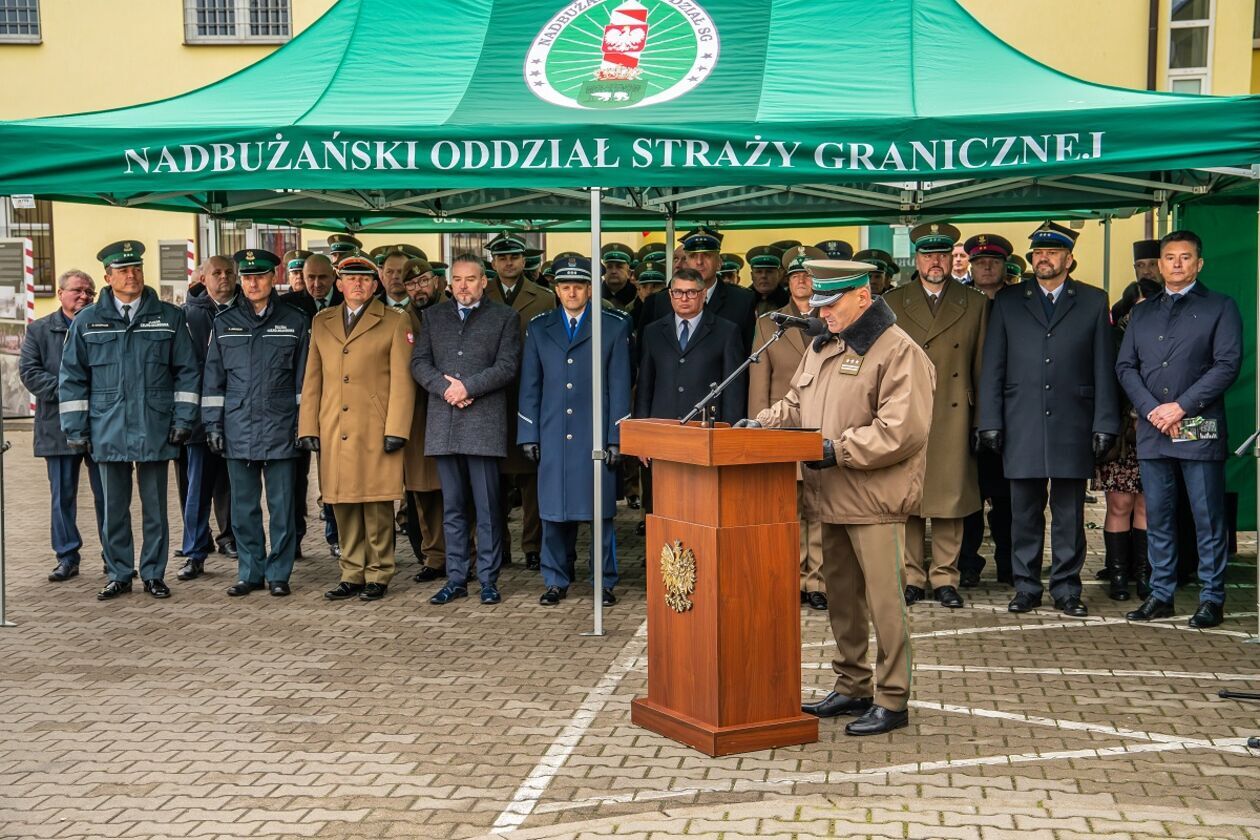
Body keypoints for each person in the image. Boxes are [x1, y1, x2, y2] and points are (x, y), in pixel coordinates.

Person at [742, 259, 932, 737]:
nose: (821, 312)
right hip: (831, 494)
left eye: (831, 303)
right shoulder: (825, 345)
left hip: (875, 498)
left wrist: (837, 450)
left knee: (886, 603)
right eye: (818, 303)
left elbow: (901, 431)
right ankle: (853, 685)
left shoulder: (897, 350)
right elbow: (795, 404)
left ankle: (893, 698)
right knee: (842, 600)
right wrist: (761, 425)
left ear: (862, 297)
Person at [977, 221, 1119, 617]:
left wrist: (1105, 423)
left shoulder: (1092, 300)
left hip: (1075, 420)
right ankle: (1026, 586)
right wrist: (989, 420)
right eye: (1038, 252)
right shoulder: (1008, 300)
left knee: (1069, 512)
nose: (1044, 258)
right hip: (1020, 420)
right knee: (1023, 510)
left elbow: (1103, 366)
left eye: (1052, 253)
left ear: (1068, 260)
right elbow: (993, 366)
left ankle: (1067, 588)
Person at [59, 240, 200, 601]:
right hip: (107, 427)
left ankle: (153, 573)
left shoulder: (170, 317)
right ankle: (119, 573)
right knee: (112, 510)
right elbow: (72, 377)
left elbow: (187, 371)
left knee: (155, 509)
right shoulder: (88, 321)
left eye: (136, 268)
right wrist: (75, 430)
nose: (131, 275)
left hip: (155, 425)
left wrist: (184, 418)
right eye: (123, 270)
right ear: (108, 277)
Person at [1117, 230, 1242, 628]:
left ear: (1198, 263)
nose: (1176, 264)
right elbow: (1125, 367)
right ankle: (1162, 593)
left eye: (1184, 257)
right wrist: (1153, 409)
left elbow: (1227, 364)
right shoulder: (1143, 311)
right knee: (1159, 515)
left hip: (1197, 423)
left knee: (1207, 516)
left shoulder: (1220, 307)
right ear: (1160, 263)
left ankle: (1211, 598)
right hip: (1155, 427)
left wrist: (1181, 406)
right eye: (1169, 257)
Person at [298, 253, 415, 602]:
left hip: (374, 426)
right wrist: (308, 426)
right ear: (340, 284)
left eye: (365, 279)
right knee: (342, 501)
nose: (358, 284)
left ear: (375, 284)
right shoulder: (323, 321)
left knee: (376, 503)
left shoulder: (395, 320)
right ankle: (351, 572)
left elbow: (403, 382)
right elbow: (313, 378)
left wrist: (397, 428)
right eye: (351, 278)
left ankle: (378, 572)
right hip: (334, 425)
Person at [883, 223, 988, 609]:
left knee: (950, 498)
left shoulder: (975, 302)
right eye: (928, 255)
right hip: (907, 409)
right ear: (917, 259)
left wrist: (983, 419)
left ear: (951, 258)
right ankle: (911, 576)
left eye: (942, 255)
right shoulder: (894, 301)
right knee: (909, 498)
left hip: (954, 411)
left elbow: (982, 366)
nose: (935, 262)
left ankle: (945, 577)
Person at [518, 255, 632, 607]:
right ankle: (555, 579)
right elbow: (530, 385)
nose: (572, 292)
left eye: (578, 286)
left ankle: (603, 580)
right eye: (565, 286)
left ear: (589, 288)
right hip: (553, 433)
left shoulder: (612, 325)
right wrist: (528, 433)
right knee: (553, 513)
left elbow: (620, 385)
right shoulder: (539, 327)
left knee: (599, 514)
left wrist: (616, 436)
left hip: (594, 434)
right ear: (556, 288)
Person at [413, 254, 521, 606]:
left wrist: (467, 387)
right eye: (457, 279)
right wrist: (445, 388)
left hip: (484, 425)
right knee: (453, 508)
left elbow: (507, 366)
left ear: (483, 281)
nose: (463, 285)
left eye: (470, 279)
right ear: (449, 283)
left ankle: (488, 580)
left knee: (488, 508)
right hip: (444, 424)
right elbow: (419, 363)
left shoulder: (505, 317)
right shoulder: (433, 317)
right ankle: (456, 578)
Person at [202, 250, 309, 597]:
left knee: (282, 508)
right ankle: (250, 571)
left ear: (272, 279)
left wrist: (302, 427)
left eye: (259, 276)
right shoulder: (224, 322)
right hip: (238, 428)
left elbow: (304, 382)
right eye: (246, 277)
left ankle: (279, 573)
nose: (252, 283)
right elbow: (213, 382)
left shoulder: (295, 321)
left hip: (282, 428)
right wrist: (213, 427)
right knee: (243, 508)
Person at [748, 245, 827, 611]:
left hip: (825, 427)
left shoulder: (832, 319)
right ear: (788, 281)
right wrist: (758, 433)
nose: (802, 282)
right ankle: (793, 577)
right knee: (790, 509)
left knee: (822, 506)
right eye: (796, 276)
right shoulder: (769, 323)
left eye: (808, 276)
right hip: (784, 427)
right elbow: (758, 384)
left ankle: (819, 581)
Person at [21, 269, 105, 582]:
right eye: (77, 291)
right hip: (56, 428)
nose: (84, 297)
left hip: (100, 428)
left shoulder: (101, 326)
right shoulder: (40, 330)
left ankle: (115, 557)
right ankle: (67, 557)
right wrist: (71, 389)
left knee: (107, 496)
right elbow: (30, 373)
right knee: (62, 497)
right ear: (60, 293)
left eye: (90, 292)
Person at [1093, 239, 1162, 601]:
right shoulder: (1113, 337)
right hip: (1122, 433)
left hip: (1156, 431)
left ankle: (1144, 575)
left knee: (1148, 505)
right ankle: (1118, 575)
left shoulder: (1167, 341)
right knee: (1119, 503)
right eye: (1136, 309)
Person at [484, 233, 554, 571]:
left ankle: (533, 547)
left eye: (514, 256)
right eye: (502, 257)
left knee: (531, 483)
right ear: (493, 263)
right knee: (492, 483)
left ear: (524, 260)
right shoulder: (481, 295)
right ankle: (499, 547)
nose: (509, 262)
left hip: (531, 398)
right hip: (489, 399)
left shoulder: (544, 298)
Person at [957, 234, 1016, 587]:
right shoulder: (962, 302)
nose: (987, 267)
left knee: (1009, 501)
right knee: (970, 499)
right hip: (968, 413)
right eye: (980, 262)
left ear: (1005, 265)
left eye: (993, 261)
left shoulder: (1019, 300)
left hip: (1010, 416)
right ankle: (968, 564)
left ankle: (1009, 565)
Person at [177, 254, 239, 582]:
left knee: (235, 486)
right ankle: (195, 551)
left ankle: (234, 540)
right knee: (197, 488)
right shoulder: (188, 316)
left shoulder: (247, 310)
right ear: (203, 278)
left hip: (240, 416)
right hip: (201, 418)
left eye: (230, 272)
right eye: (217, 272)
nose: (224, 277)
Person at [280, 252, 344, 558]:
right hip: (298, 402)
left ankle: (336, 535)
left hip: (336, 400)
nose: (316, 285)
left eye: (322, 278)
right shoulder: (289, 305)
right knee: (294, 475)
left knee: (334, 472)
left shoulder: (345, 304)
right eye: (310, 279)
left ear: (333, 277)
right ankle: (294, 539)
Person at [635, 267, 746, 424]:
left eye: (691, 292)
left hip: (706, 427)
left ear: (703, 294)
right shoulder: (653, 332)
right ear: (670, 295)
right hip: (661, 427)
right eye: (678, 292)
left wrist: (729, 431)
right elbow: (644, 388)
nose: (684, 298)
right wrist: (641, 428)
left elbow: (733, 391)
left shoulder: (727, 332)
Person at [399, 259, 448, 584]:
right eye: (412, 284)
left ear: (437, 282)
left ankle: (467, 555)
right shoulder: (399, 318)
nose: (419, 289)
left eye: (424, 281)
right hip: (416, 415)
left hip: (453, 409)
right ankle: (434, 557)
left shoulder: (453, 310)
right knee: (424, 491)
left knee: (458, 491)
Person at [638, 226, 757, 350]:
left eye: (707, 255)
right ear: (687, 262)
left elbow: (750, 352)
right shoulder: (661, 301)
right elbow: (647, 353)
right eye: (693, 256)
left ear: (719, 263)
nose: (699, 262)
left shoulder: (742, 300)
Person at [746, 245, 789, 315]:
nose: (764, 276)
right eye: (759, 272)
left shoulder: (790, 301)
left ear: (779, 274)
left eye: (769, 271)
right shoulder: (743, 301)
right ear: (752, 275)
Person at [600, 242, 639, 313]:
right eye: (609, 267)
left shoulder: (638, 295)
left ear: (628, 272)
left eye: (619, 267)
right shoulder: (596, 295)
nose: (613, 271)